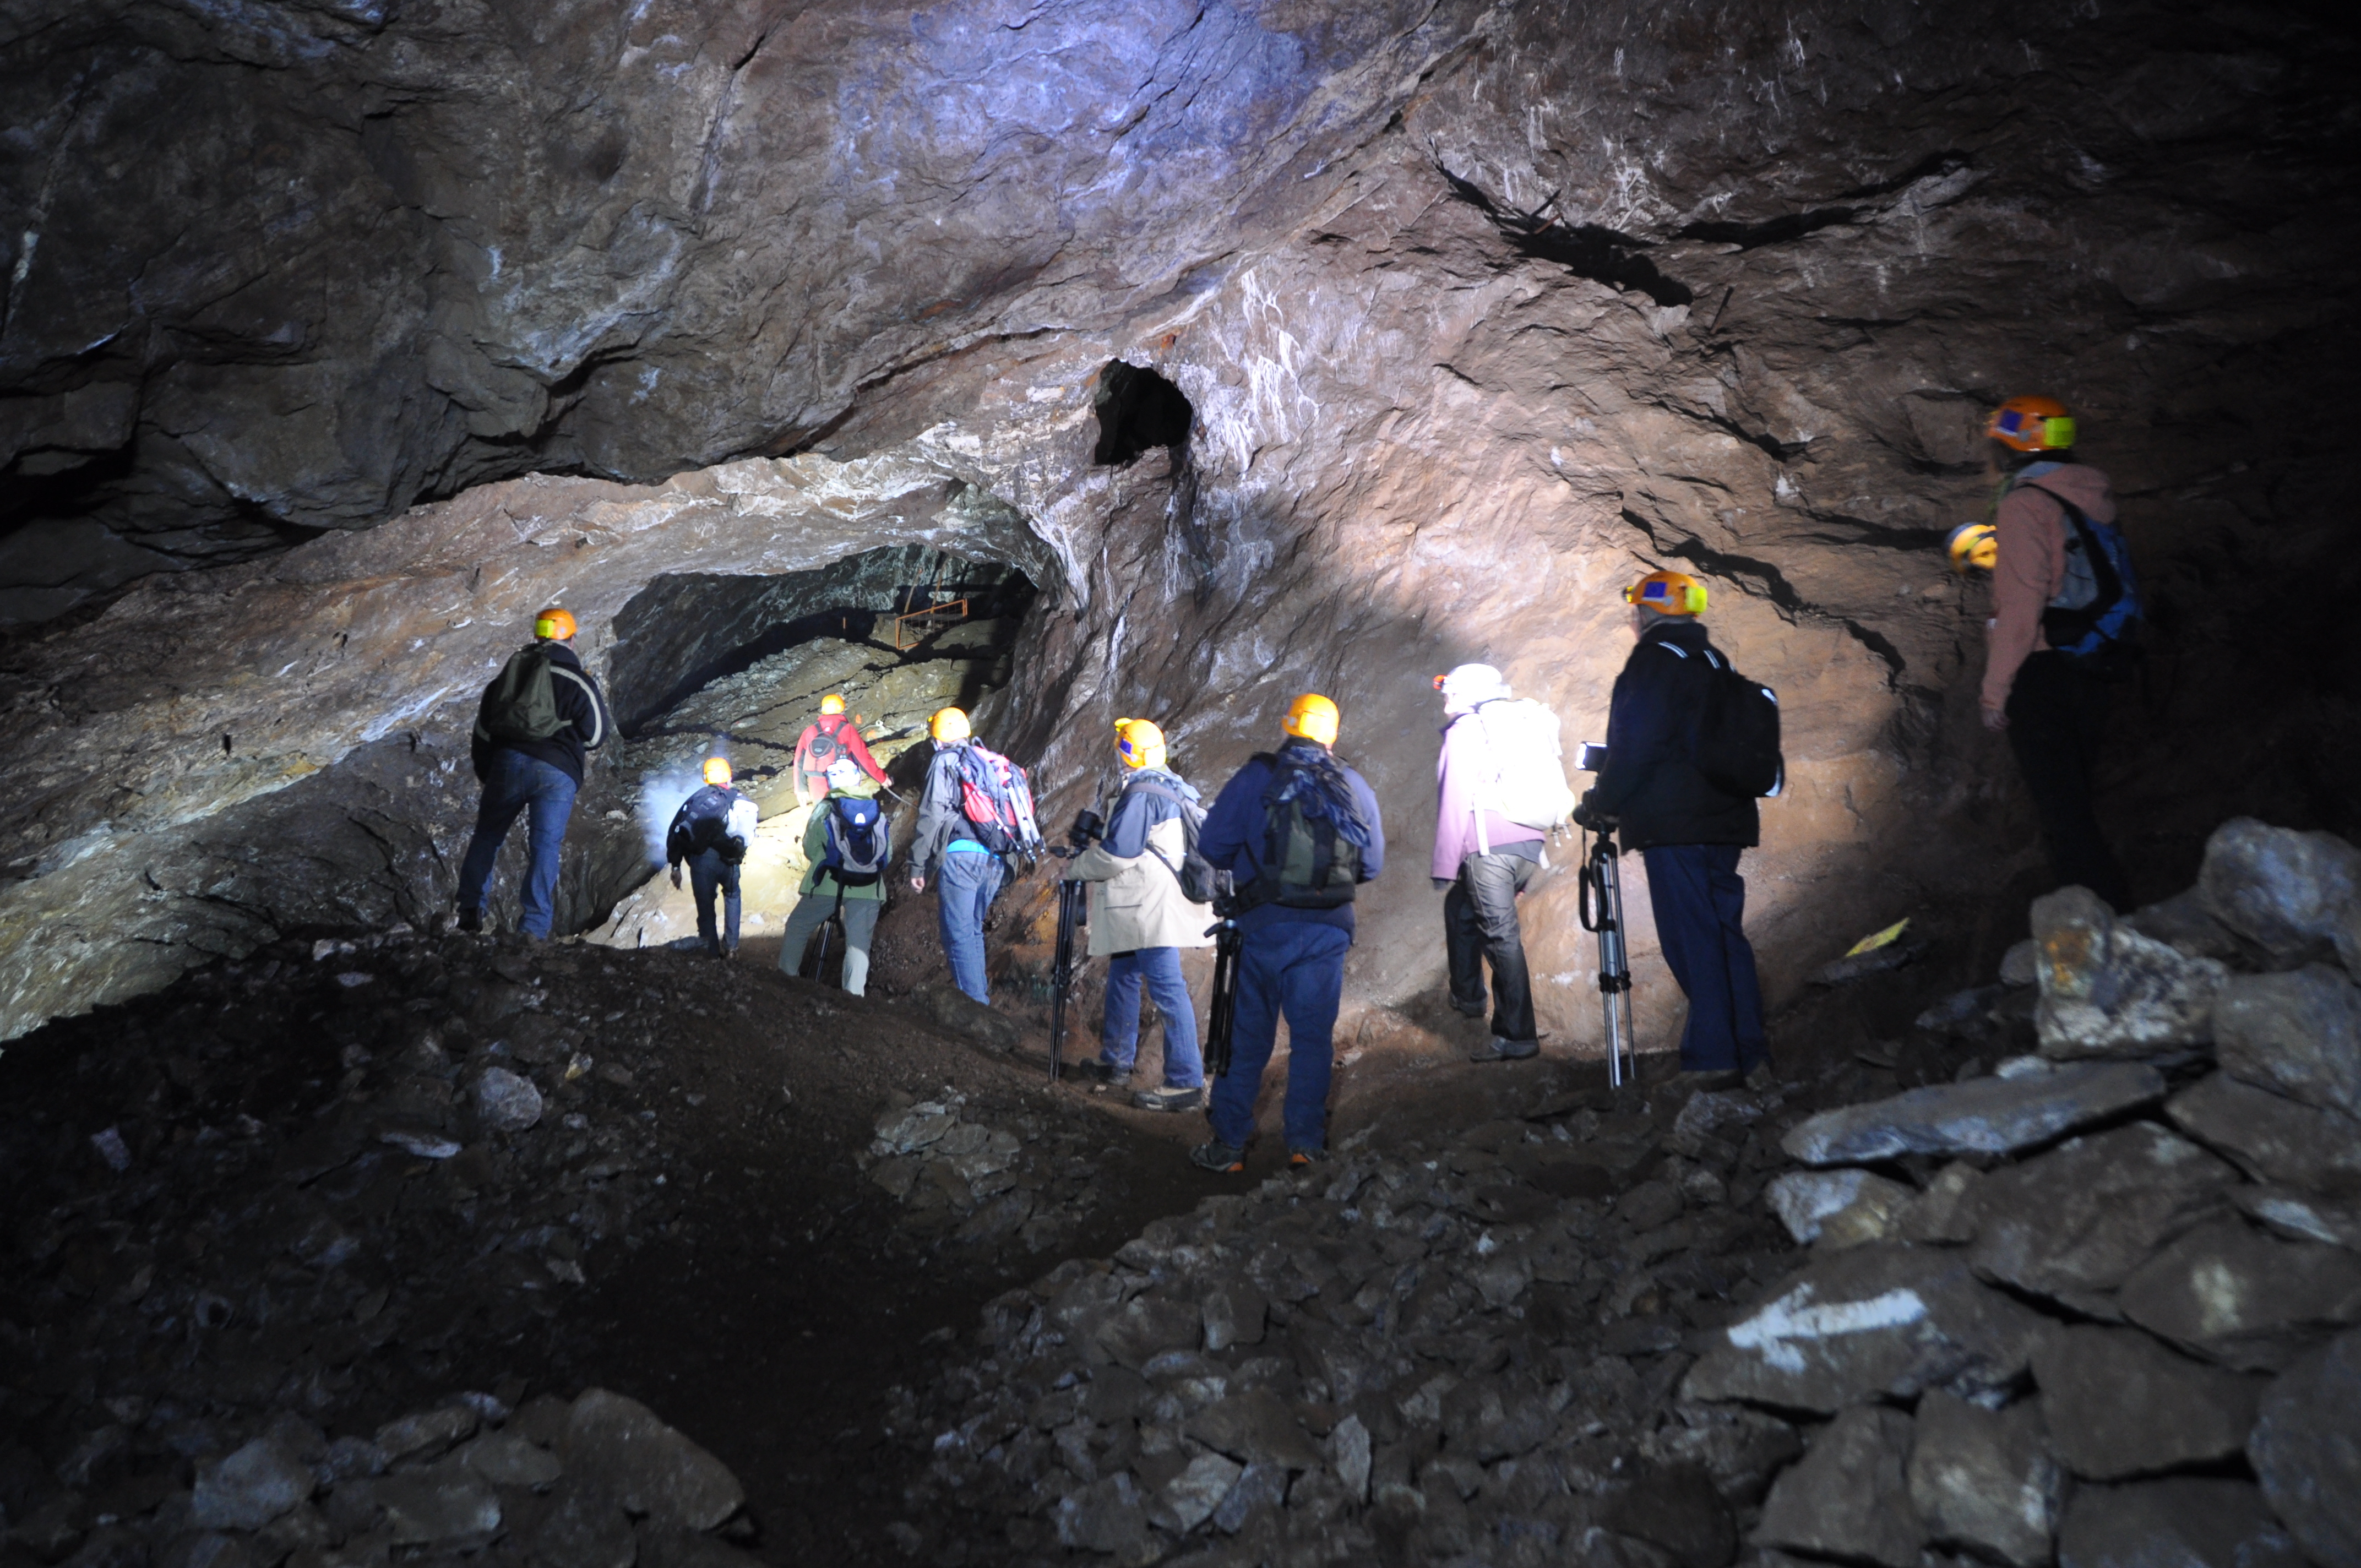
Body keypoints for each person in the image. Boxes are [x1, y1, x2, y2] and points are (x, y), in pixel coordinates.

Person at [1947, 395, 2133, 911]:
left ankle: (2099, 926)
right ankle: (2100, 914)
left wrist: (1995, 691)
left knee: (2061, 811)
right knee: (2075, 800)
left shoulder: (2025, 503)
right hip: (2091, 661)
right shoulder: (2093, 495)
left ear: (2020, 442)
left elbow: (2022, 607)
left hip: (2044, 669)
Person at [1579, 570, 1767, 1078]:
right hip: (1725, 821)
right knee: (1725, 934)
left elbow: (1636, 745)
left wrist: (1603, 801)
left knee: (1692, 937)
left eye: (1635, 610)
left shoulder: (1653, 663)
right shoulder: (1714, 661)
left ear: (1645, 613)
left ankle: (1712, 1059)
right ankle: (1750, 1050)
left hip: (1676, 825)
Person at [1192, 693, 1385, 1172]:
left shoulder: (1259, 775)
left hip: (1264, 927)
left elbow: (1213, 845)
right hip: (1328, 931)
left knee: (1249, 1036)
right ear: (1332, 735)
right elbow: (1373, 863)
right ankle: (1305, 1144)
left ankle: (1230, 1146)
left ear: (1289, 727)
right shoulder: (1352, 782)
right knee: (1313, 1038)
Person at [1068, 718, 1213, 1112]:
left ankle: (1184, 1081)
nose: (1118, 752)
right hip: (1148, 906)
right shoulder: (1171, 786)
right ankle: (1115, 1061)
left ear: (1130, 751)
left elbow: (1119, 856)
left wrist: (1078, 867)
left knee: (1167, 987)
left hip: (1149, 909)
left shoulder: (1142, 792)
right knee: (1124, 977)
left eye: (1122, 746)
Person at [455, 606, 611, 939]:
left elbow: (483, 731)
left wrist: (490, 773)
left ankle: (470, 911)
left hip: (507, 764)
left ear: (537, 635)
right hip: (556, 773)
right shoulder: (576, 680)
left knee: (487, 837)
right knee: (545, 847)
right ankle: (534, 929)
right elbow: (597, 735)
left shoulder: (509, 677)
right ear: (571, 638)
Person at [1431, 663, 1547, 1062]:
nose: (1446, 697)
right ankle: (1468, 998)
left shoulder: (1466, 732)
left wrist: (1444, 865)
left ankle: (1518, 1035)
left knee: (1501, 938)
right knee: (1461, 908)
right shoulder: (1519, 726)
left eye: (1452, 690)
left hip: (1489, 850)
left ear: (1470, 696)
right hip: (1528, 847)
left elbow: (1454, 804)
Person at [908, 706, 1005, 1004]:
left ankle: (976, 1008)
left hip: (962, 858)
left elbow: (932, 814)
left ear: (937, 739)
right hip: (994, 860)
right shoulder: (987, 760)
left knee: (959, 935)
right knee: (972, 932)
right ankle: (980, 1000)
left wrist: (918, 865)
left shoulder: (944, 761)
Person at [779, 757, 890, 995]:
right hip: (869, 887)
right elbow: (886, 854)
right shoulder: (874, 810)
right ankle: (854, 998)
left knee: (798, 926)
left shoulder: (826, 807)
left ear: (830, 782)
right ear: (858, 778)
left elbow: (810, 847)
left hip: (828, 884)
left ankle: (786, 984)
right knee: (858, 946)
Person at [666, 756, 758, 958]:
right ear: (729, 776)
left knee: (706, 909)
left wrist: (676, 866)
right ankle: (732, 947)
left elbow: (677, 830)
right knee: (733, 895)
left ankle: (712, 956)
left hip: (701, 861)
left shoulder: (698, 798)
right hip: (729, 859)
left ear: (705, 778)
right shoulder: (738, 797)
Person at [793, 694, 888, 804]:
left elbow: (799, 760)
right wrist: (883, 779)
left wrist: (801, 789)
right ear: (842, 709)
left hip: (817, 785)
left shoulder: (809, 731)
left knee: (825, 815)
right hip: (842, 781)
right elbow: (863, 759)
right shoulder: (847, 730)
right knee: (847, 814)